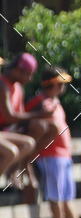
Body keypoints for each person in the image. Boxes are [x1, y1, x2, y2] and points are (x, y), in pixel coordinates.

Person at [25, 67, 81, 218]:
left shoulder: (55, 102)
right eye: (59, 84)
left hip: (63, 155)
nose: (63, 87)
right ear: (50, 84)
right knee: (56, 195)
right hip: (50, 155)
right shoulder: (40, 103)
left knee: (67, 194)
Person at [0, 53, 56, 188]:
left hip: (8, 131)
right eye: (28, 74)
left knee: (48, 128)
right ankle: (14, 167)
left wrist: (41, 117)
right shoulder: (2, 84)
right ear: (18, 70)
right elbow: (10, 116)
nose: (30, 79)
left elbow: (19, 117)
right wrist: (40, 114)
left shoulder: (19, 88)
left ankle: (22, 164)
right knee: (12, 151)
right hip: (3, 131)